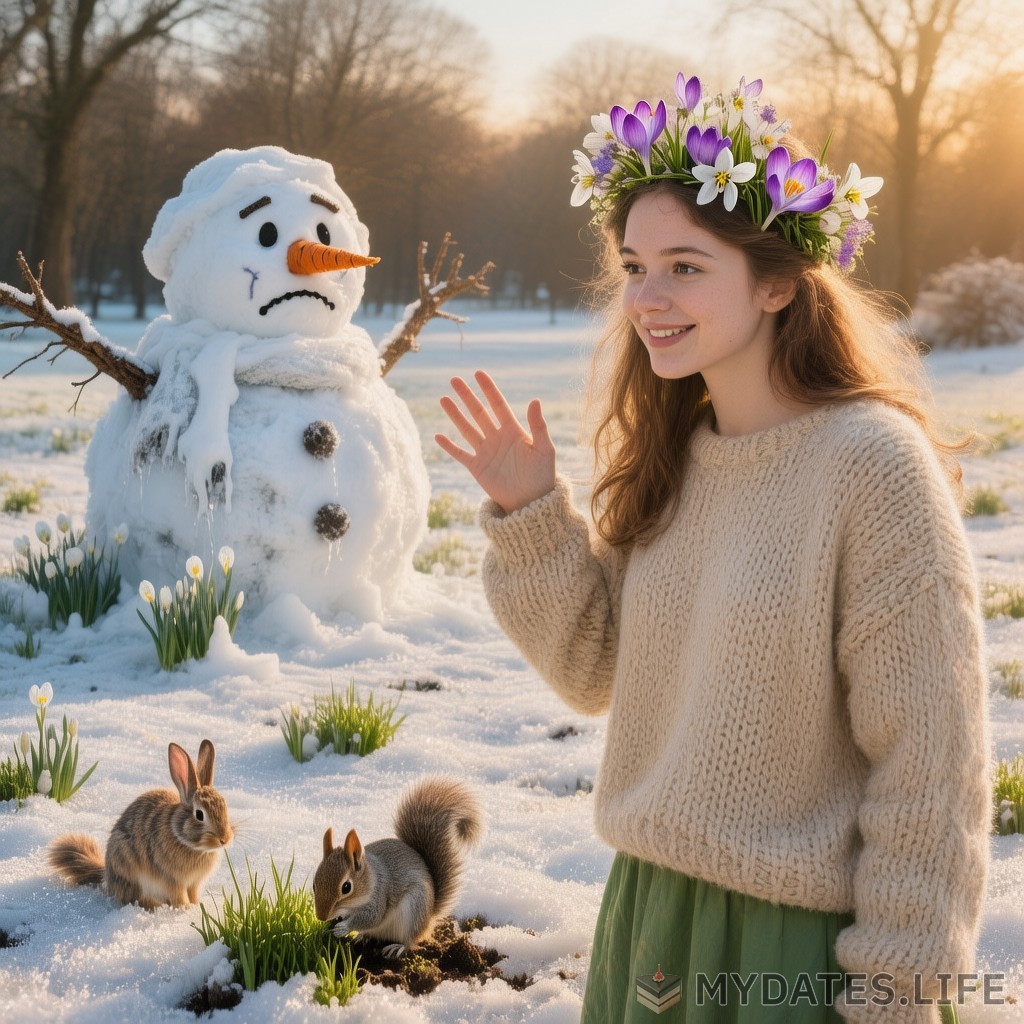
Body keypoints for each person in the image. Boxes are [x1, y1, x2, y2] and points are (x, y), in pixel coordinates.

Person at [436, 72, 989, 1023]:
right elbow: (596, 670)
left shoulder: (869, 466)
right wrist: (532, 519)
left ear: (777, 280)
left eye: (686, 267)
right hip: (651, 920)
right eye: (634, 266)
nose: (648, 296)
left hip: (793, 942)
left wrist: (897, 991)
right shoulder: (676, 456)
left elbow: (932, 766)